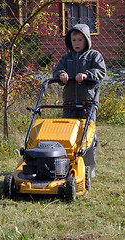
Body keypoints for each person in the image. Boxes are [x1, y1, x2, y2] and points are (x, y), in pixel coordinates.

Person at [53, 24, 106, 177]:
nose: (76, 43)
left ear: (86, 40)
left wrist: (87, 74)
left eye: (80, 39)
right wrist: (61, 75)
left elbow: (101, 71)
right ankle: (66, 166)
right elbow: (56, 71)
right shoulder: (66, 58)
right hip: (69, 101)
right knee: (67, 134)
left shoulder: (94, 56)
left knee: (87, 134)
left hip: (88, 102)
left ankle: (88, 168)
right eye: (74, 39)